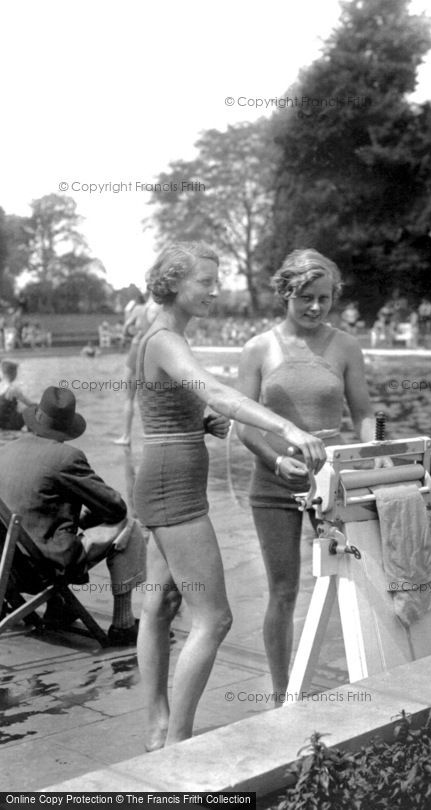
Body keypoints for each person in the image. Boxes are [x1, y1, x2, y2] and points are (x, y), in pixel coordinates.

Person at [134, 241, 325, 751]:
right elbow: (216, 393)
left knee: (158, 606)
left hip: (160, 478)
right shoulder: (166, 340)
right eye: (205, 281)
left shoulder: (155, 336)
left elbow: (178, 409)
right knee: (214, 618)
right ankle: (177, 744)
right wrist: (288, 427)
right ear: (174, 283)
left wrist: (240, 436)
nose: (216, 290)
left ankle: (158, 730)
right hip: (174, 488)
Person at [236, 248, 386, 701]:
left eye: (324, 298)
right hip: (273, 481)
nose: (316, 307)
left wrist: (377, 451)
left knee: (356, 581)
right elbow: (241, 424)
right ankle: (283, 695)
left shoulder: (345, 346)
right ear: (286, 292)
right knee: (283, 592)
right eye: (306, 297)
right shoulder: (258, 349)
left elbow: (365, 413)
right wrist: (276, 460)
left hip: (332, 484)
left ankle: (369, 679)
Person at [0, 386, 145, 644]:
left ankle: (59, 606)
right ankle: (123, 625)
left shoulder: (7, 450)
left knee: (41, 526)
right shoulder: (67, 457)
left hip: (7, 567)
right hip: (40, 570)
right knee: (128, 526)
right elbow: (116, 507)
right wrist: (88, 516)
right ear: (67, 427)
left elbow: (34, 507)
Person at [113, 294, 160, 446]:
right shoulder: (162, 310)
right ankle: (154, 435)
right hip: (152, 352)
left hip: (136, 349)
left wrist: (131, 332)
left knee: (129, 397)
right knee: (153, 396)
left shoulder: (139, 309)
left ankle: (126, 436)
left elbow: (126, 329)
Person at [0, 359, 34, 430]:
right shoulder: (13, 389)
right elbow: (29, 403)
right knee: (30, 411)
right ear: (14, 373)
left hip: (1, 423)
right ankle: (32, 434)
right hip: (8, 424)